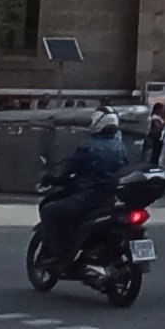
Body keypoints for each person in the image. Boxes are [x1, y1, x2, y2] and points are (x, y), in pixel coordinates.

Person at [36, 111, 132, 266]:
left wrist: (53, 178)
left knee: (49, 211)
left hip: (88, 196)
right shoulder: (120, 146)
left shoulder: (89, 146)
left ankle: (60, 252)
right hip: (110, 198)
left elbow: (68, 170)